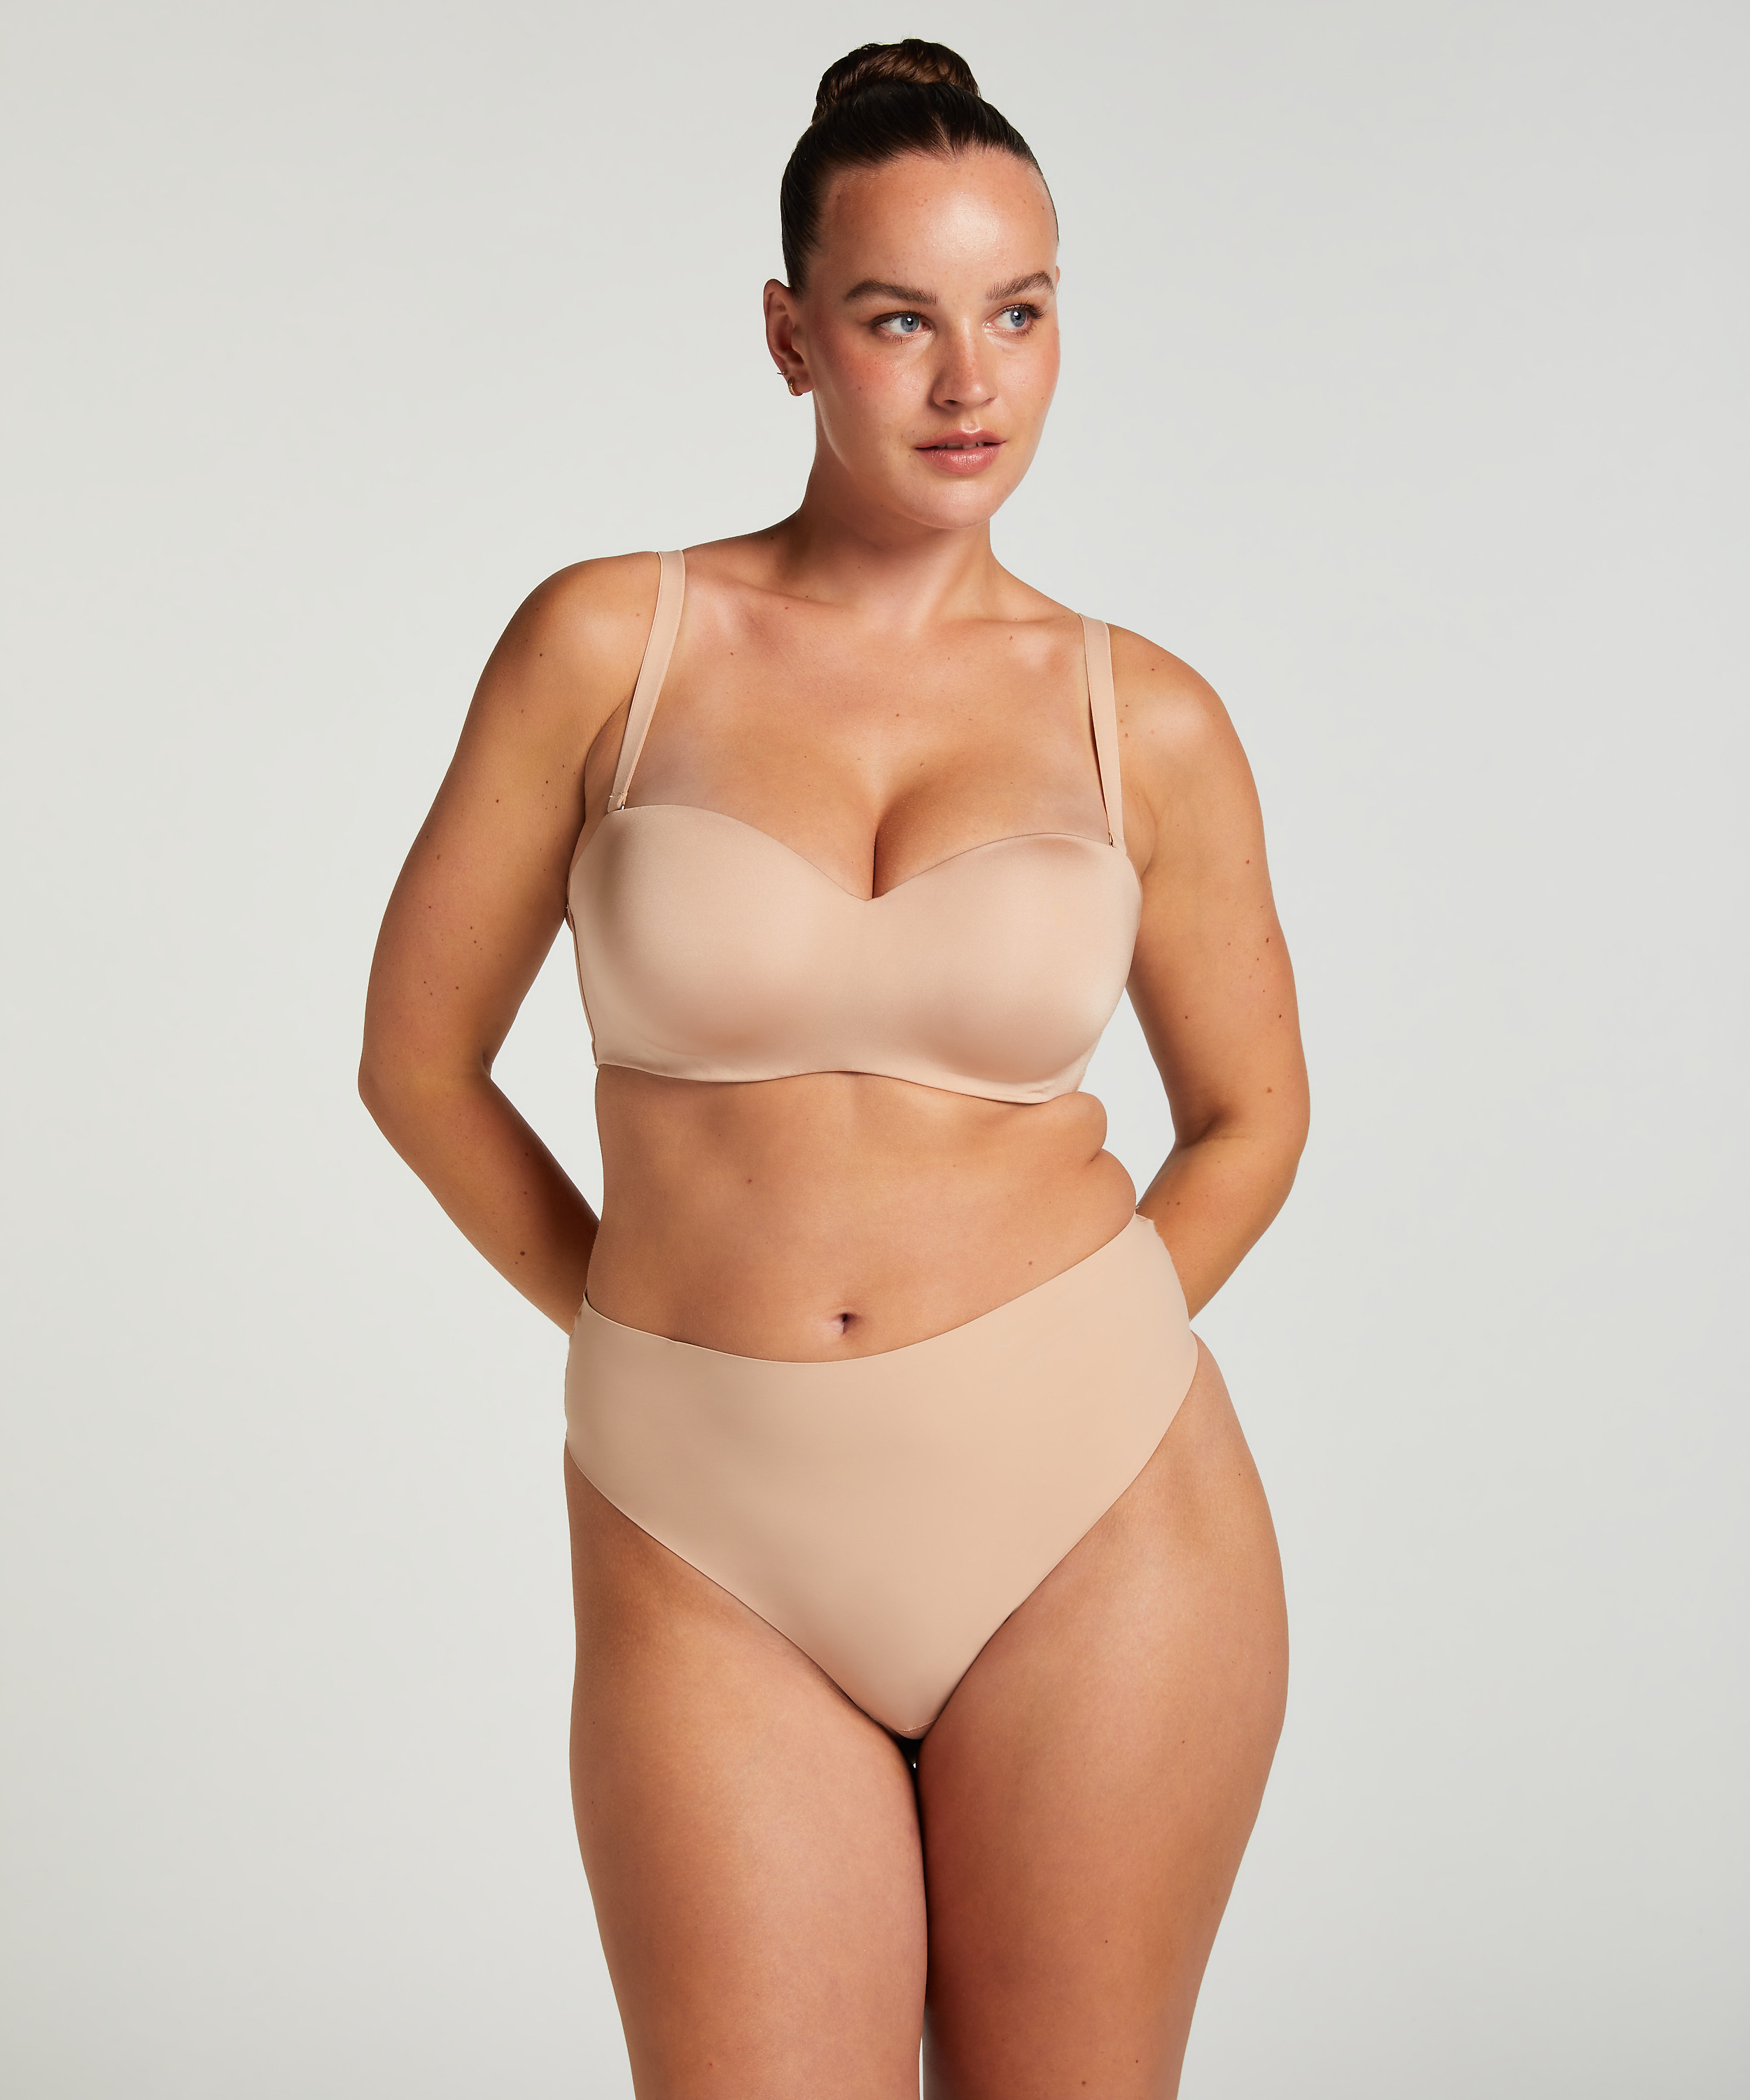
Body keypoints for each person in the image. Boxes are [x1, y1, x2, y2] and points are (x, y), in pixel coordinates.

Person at [360, 37, 1308, 2100]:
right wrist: (643, 1332)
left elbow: (1255, 1117)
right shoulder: (607, 646)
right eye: (899, 321)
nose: (971, 383)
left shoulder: (1144, 718)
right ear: (789, 337)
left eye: (1019, 314)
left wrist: (1047, 1370)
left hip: (1096, 1511)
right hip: (703, 1524)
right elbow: (416, 1061)